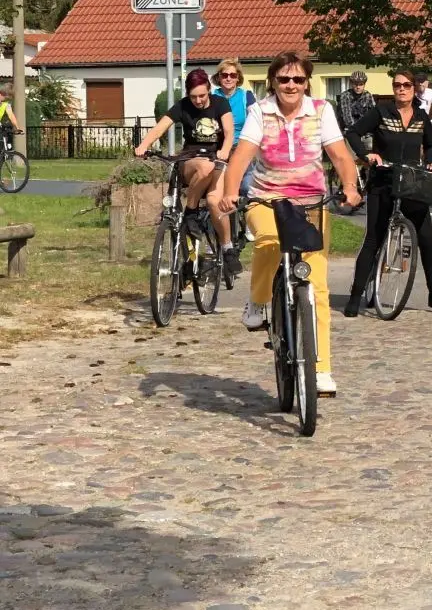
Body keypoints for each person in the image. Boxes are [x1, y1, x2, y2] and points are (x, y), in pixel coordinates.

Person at [217, 52, 362, 396]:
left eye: (298, 79)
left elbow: (340, 155)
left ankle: (322, 368)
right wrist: (229, 192)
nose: (291, 85)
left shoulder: (322, 111)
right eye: (284, 79)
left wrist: (351, 187)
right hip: (267, 198)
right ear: (273, 82)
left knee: (318, 288)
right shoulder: (259, 112)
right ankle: (258, 299)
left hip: (311, 203)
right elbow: (242, 155)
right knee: (268, 241)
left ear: (307, 82)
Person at [343, 67, 432, 316]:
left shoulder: (421, 117)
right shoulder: (381, 112)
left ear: (415, 89)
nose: (401, 89)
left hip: (412, 183)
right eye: (397, 85)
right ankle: (355, 295)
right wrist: (366, 154)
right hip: (383, 181)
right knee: (374, 238)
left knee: (426, 240)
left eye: (406, 85)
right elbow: (353, 132)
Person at [135, 68, 238, 276]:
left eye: (202, 95)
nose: (198, 101)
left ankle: (227, 249)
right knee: (203, 166)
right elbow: (159, 128)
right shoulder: (182, 106)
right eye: (193, 97)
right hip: (191, 160)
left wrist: (225, 150)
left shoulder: (220, 104)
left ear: (209, 90)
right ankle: (190, 212)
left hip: (217, 158)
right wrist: (143, 144)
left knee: (213, 203)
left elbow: (229, 132)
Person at [212, 58, 255, 200]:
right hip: (218, 147)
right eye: (224, 75)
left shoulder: (246, 96)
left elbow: (255, 118)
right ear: (219, 78)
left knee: (247, 185)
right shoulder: (212, 98)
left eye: (233, 75)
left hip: (240, 146)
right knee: (216, 186)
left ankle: (247, 216)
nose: (228, 78)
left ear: (238, 78)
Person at [335, 71, 378, 150]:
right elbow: (347, 117)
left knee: (370, 153)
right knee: (352, 158)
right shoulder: (345, 96)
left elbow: (373, 113)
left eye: (361, 84)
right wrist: (357, 132)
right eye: (355, 84)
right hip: (349, 130)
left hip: (366, 131)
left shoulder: (368, 95)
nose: (358, 87)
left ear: (364, 84)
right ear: (352, 84)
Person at [0, 84, 20, 152]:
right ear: (2, 93)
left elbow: (11, 115)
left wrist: (17, 128)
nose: (7, 99)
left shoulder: (6, 104)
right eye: (6, 97)